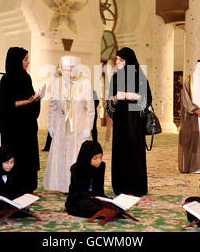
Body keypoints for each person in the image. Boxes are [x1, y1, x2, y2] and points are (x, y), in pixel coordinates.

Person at [43, 56, 95, 193]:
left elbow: (90, 109)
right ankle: (63, 185)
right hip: (62, 126)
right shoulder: (58, 83)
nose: (67, 73)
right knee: (62, 155)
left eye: (70, 70)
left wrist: (87, 128)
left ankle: (77, 186)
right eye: (65, 70)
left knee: (77, 156)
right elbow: (53, 106)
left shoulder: (85, 83)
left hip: (79, 127)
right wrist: (51, 124)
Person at [107, 47, 152, 196]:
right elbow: (109, 103)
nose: (118, 62)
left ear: (129, 61)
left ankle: (136, 186)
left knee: (134, 152)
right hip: (120, 122)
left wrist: (135, 97)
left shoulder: (139, 77)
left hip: (135, 123)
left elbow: (148, 99)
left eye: (121, 60)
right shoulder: (115, 78)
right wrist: (116, 97)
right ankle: (121, 186)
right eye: (117, 59)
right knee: (120, 152)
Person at [0, 47, 41, 194]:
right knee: (16, 156)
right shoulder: (7, 79)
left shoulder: (26, 77)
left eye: (27, 59)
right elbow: (7, 105)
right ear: (16, 60)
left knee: (28, 156)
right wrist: (27, 102)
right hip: (14, 127)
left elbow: (30, 97)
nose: (27, 63)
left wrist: (36, 99)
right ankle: (15, 187)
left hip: (27, 124)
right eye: (25, 60)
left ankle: (28, 186)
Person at [65, 141, 106, 218]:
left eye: (101, 157)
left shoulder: (101, 166)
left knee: (112, 205)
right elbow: (78, 192)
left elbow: (100, 189)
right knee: (89, 206)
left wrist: (102, 199)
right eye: (95, 158)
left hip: (95, 196)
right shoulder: (77, 168)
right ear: (87, 156)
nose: (99, 161)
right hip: (79, 197)